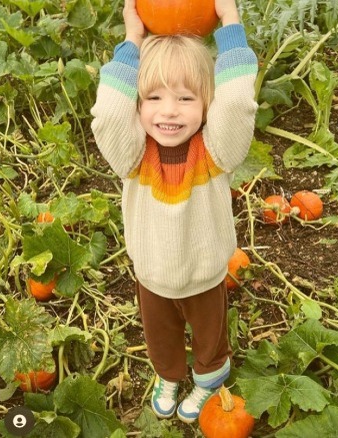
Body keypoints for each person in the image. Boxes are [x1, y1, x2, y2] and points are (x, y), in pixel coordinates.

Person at [90, 0, 258, 423]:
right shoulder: (130, 154)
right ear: (137, 104)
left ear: (206, 105)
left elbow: (237, 104)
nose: (169, 110)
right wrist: (133, 39)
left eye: (186, 98)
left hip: (204, 276)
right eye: (154, 97)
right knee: (160, 339)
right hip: (152, 274)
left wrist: (230, 20)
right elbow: (108, 114)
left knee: (209, 339)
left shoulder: (217, 150)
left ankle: (208, 380)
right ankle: (169, 375)